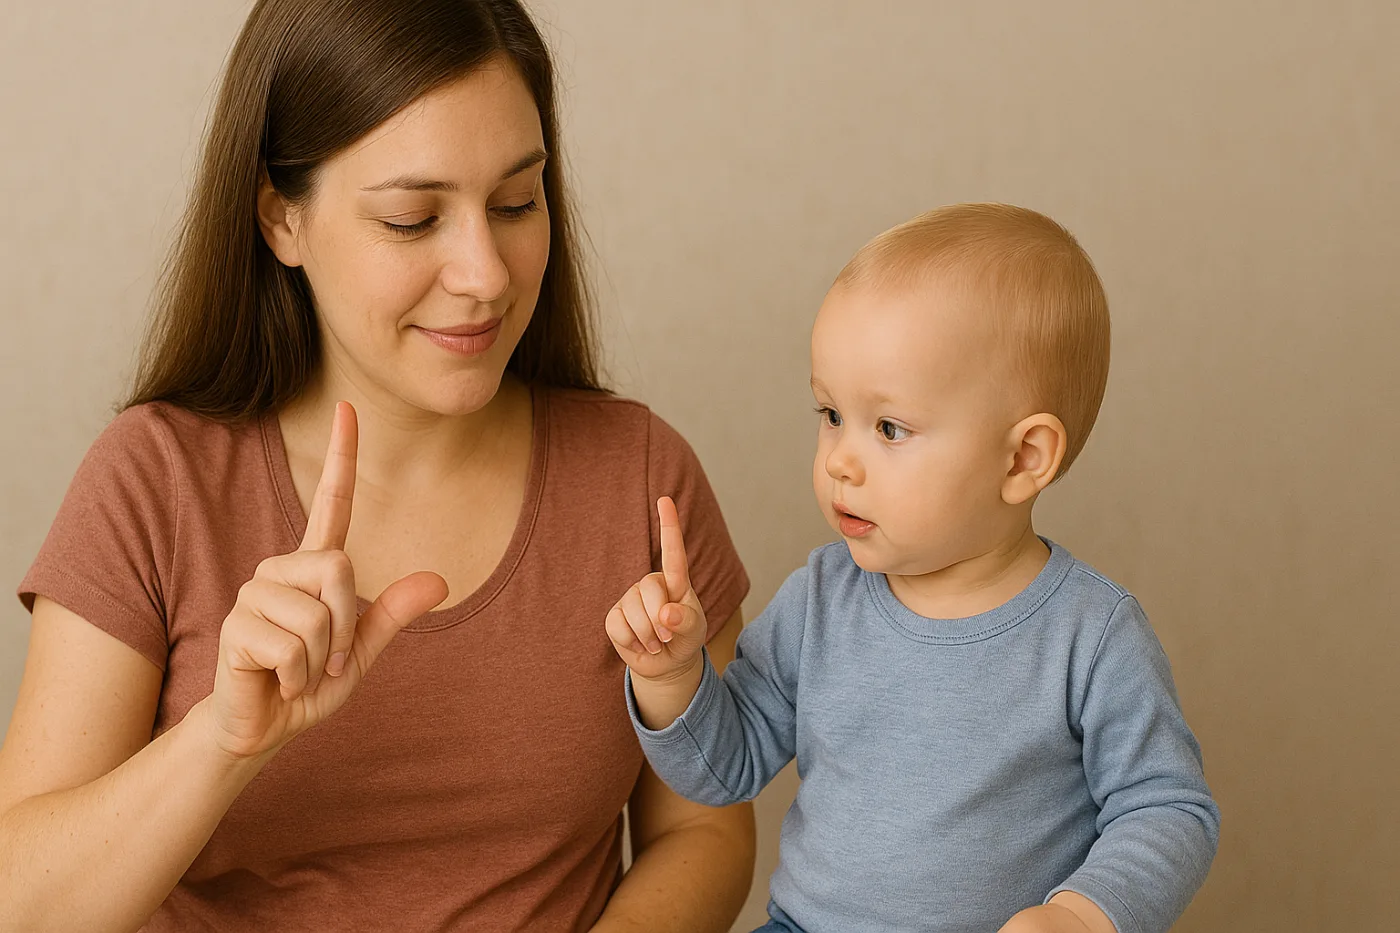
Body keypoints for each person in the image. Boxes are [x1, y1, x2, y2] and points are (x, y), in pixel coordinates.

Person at [0, 2, 755, 930]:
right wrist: (221, 742)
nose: (485, 272)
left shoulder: (640, 476)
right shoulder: (155, 482)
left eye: (516, 202)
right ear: (281, 218)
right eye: (411, 218)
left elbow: (704, 831)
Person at [606, 204, 1221, 933]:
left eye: (889, 427)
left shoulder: (1091, 636)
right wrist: (672, 677)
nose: (840, 460)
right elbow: (724, 768)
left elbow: (1167, 809)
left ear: (1022, 459)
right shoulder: (821, 601)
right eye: (831, 415)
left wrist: (1084, 916)